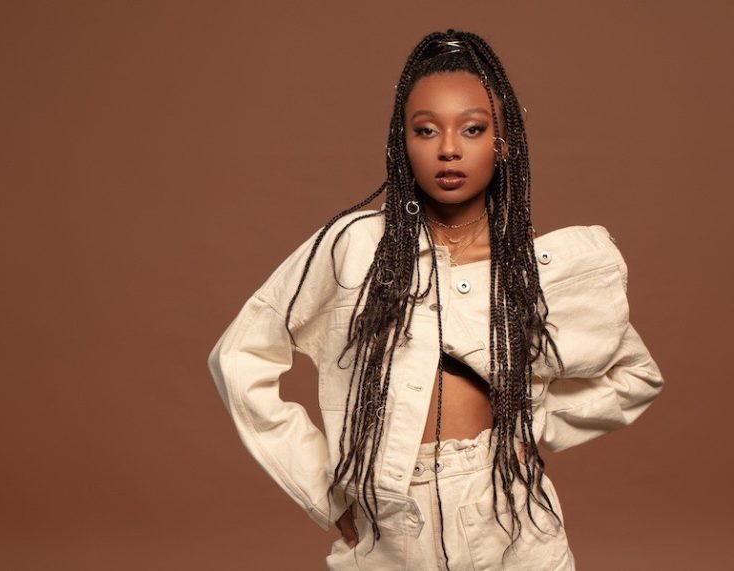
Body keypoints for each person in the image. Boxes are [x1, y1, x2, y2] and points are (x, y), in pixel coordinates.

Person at [207, 28, 665, 571]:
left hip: (511, 517)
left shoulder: (532, 269)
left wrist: (532, 424)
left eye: (473, 129)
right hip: (393, 523)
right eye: (426, 130)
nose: (449, 148)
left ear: (503, 142)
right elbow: (240, 356)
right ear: (401, 143)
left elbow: (636, 376)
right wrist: (324, 493)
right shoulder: (353, 248)